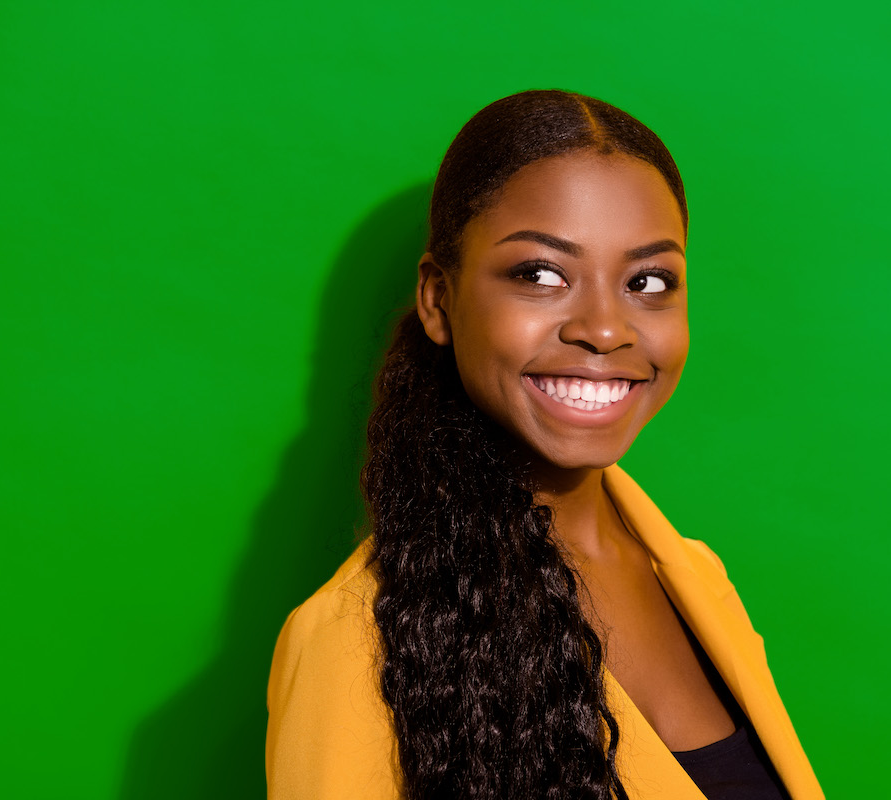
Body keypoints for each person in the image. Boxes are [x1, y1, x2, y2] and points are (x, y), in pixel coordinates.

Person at [266, 90, 824, 800]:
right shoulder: (353, 644)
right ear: (439, 299)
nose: (604, 327)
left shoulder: (696, 579)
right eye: (540, 275)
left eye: (648, 282)